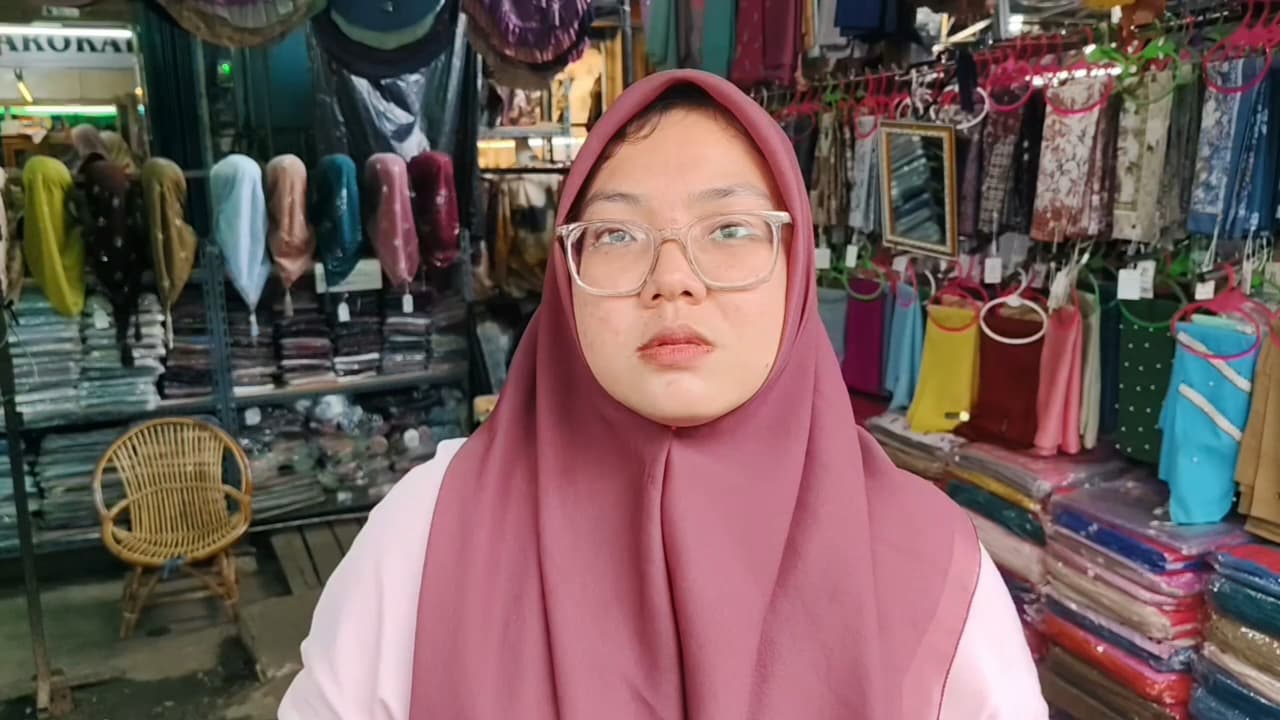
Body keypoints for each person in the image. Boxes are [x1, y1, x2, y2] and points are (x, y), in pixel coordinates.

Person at [278, 69, 1046, 719]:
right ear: (566, 278)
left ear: (796, 266)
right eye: (617, 235)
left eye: (730, 229)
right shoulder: (425, 536)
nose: (672, 278)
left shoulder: (928, 565)